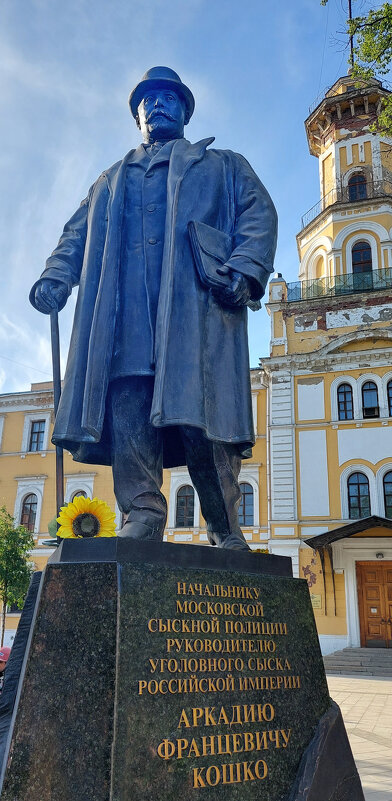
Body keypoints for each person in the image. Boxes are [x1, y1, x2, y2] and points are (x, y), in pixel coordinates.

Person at [30, 67, 277, 550]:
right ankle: (141, 513)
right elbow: (75, 235)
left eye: (169, 97)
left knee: (202, 419)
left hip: (195, 312)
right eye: (149, 99)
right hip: (124, 319)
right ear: (138, 114)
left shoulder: (222, 165)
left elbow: (258, 213)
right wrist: (56, 275)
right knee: (131, 412)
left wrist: (245, 269)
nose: (158, 105)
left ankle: (225, 526)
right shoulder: (109, 181)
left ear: (185, 110)